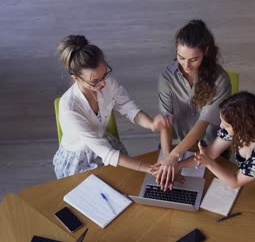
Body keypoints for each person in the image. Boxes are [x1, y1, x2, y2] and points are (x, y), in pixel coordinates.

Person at [53, 35, 169, 179]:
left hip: (104, 144)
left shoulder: (105, 81)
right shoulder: (69, 109)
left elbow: (127, 107)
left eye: (104, 74)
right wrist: (149, 168)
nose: (103, 84)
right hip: (80, 160)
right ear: (76, 78)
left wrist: (150, 124)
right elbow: (105, 152)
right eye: (95, 81)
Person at [178, 91, 255, 198]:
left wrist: (209, 163)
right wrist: (177, 166)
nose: (221, 126)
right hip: (253, 180)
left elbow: (235, 181)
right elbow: (210, 152)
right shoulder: (248, 127)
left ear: (242, 127)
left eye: (226, 125)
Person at [156, 19, 231, 190]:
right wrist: (168, 159)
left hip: (209, 147)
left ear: (206, 52)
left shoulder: (220, 80)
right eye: (181, 58)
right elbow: (165, 121)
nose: (186, 65)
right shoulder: (167, 77)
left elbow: (202, 124)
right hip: (174, 144)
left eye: (194, 59)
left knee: (206, 191)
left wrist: (174, 158)